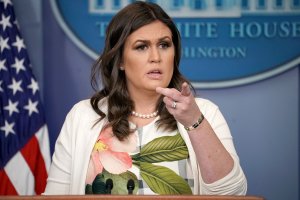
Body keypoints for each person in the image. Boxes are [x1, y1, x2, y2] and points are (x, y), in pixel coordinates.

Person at [44, 1, 247, 195]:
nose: (156, 57)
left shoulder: (204, 113)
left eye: (164, 45)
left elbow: (232, 193)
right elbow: (56, 196)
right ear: (120, 60)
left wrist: (195, 122)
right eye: (141, 46)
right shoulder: (83, 116)